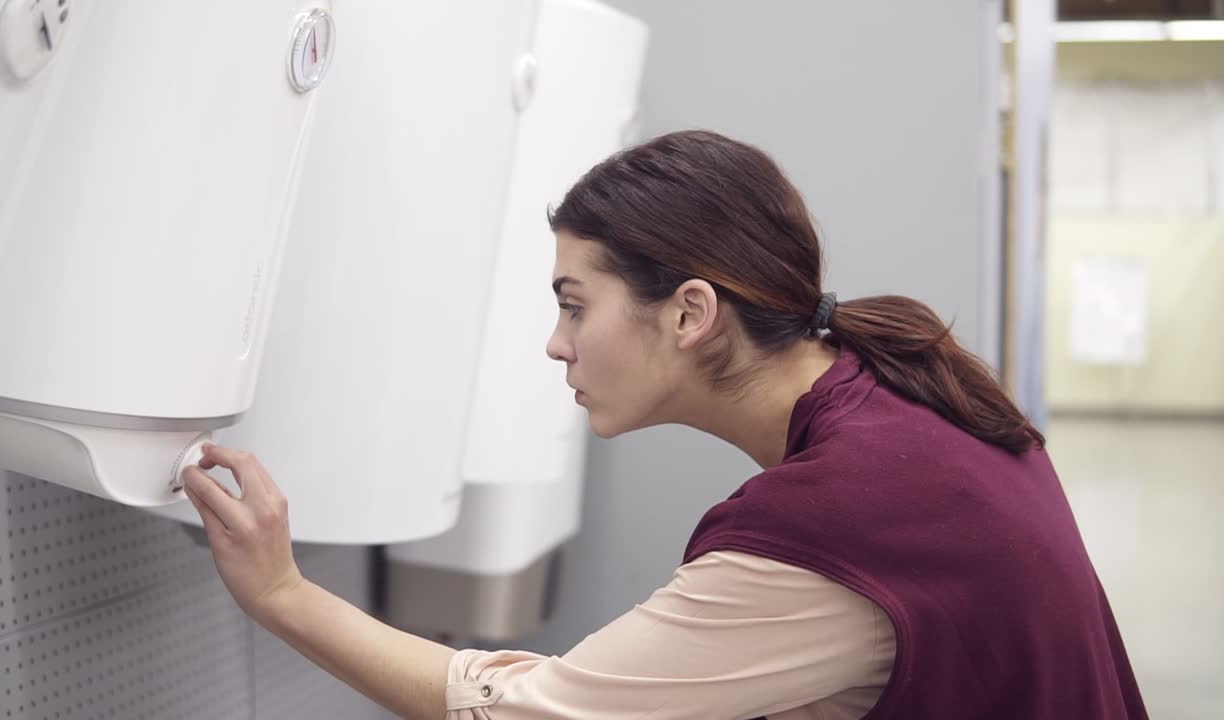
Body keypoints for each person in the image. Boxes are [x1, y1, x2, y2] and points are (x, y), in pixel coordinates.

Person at [182, 130, 1148, 719]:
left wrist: (282, 595)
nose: (556, 345)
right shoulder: (902, 388)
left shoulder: (829, 521)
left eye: (573, 304)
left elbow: (534, 717)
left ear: (689, 313)